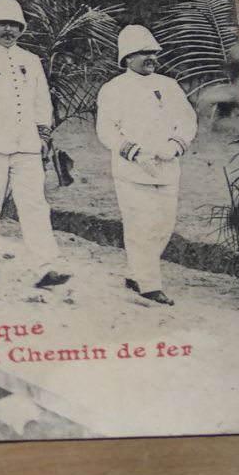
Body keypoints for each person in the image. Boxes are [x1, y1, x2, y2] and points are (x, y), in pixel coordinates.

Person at [0, 0, 70, 289]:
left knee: (34, 205)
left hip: (27, 146)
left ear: (21, 28)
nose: (8, 30)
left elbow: (42, 103)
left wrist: (43, 136)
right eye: (1, 24)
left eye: (14, 25)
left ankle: (45, 265)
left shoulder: (30, 61)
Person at [96, 25, 198, 306]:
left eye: (153, 52)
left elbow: (187, 120)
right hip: (132, 169)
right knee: (140, 224)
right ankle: (149, 285)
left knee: (163, 225)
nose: (150, 58)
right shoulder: (113, 89)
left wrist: (174, 145)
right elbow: (107, 130)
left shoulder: (169, 85)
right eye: (143, 53)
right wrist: (136, 153)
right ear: (127, 58)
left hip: (167, 167)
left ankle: (135, 273)